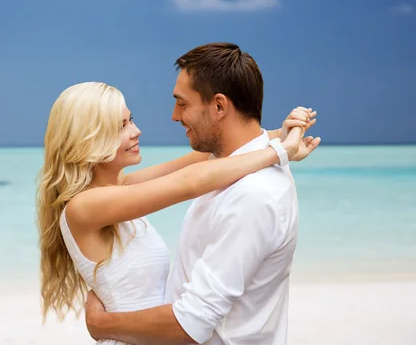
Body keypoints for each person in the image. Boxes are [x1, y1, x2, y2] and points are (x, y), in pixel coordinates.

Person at [82, 43, 320, 345]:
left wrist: (103, 326)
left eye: (182, 104)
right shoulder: (228, 168)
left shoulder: (252, 195)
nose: (173, 115)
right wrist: (276, 142)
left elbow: (191, 324)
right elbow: (183, 173)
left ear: (219, 106)